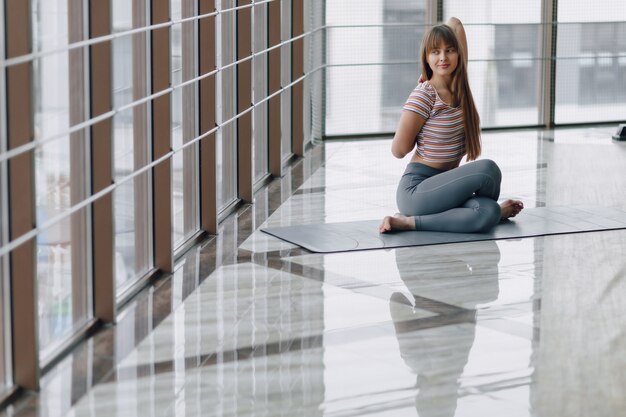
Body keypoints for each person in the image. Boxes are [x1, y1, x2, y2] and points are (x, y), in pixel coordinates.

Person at [379, 17, 523, 234]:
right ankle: (407, 222)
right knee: (488, 170)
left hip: (448, 188)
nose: (443, 57)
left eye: (450, 50)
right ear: (426, 57)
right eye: (435, 52)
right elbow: (398, 151)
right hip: (417, 191)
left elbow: (455, 23)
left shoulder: (460, 86)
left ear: (459, 55)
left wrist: (438, 46)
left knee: (489, 211)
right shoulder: (424, 94)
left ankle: (488, 214)